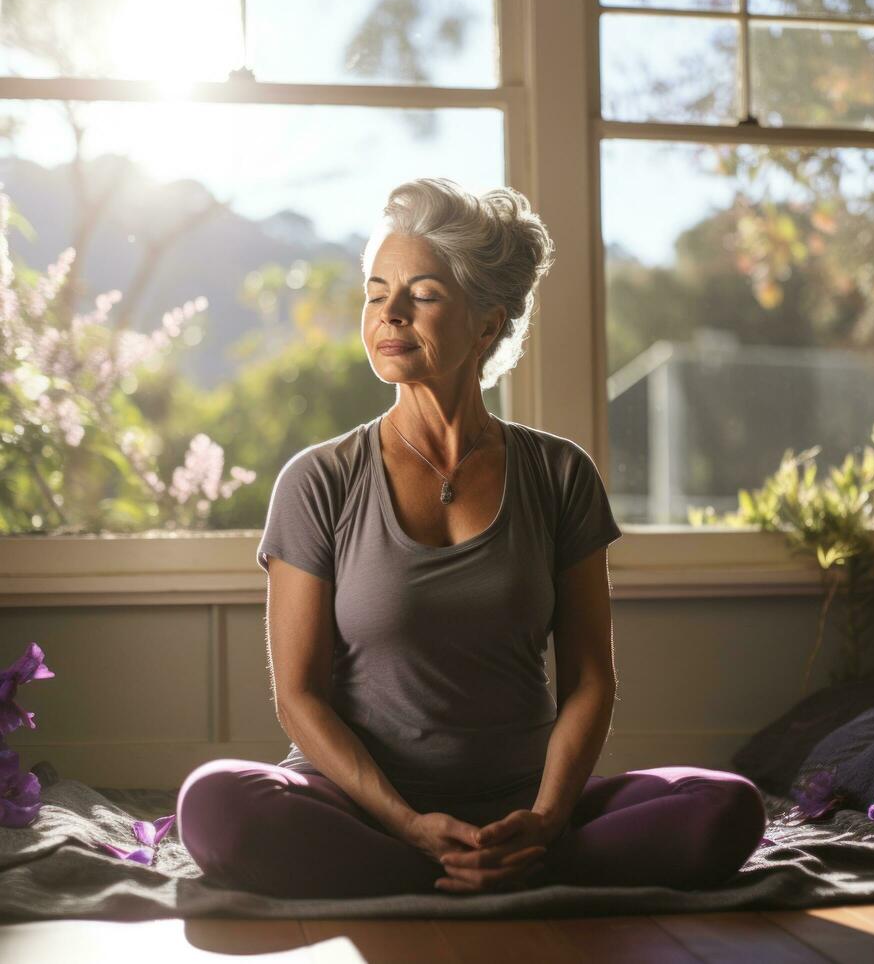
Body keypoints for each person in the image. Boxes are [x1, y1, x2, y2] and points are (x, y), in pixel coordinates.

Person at [176, 177, 767, 898]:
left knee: (728, 807)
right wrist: (407, 822)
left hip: (522, 804)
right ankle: (443, 868)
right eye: (375, 292)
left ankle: (512, 857)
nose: (388, 313)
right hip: (363, 809)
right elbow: (300, 697)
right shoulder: (318, 479)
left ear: (487, 325)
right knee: (215, 805)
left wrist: (548, 816)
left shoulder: (559, 473)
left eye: (421, 294)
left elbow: (589, 680)